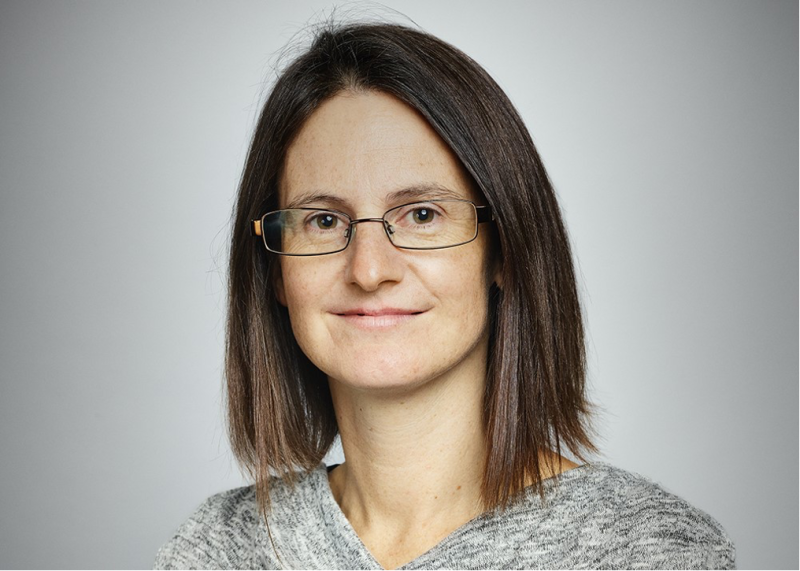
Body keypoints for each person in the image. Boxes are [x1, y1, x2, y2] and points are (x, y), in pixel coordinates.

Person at [154, 20, 735, 570]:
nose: (369, 269)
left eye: (422, 214)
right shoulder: (218, 549)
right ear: (276, 270)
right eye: (324, 222)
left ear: (504, 251)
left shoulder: (645, 552)